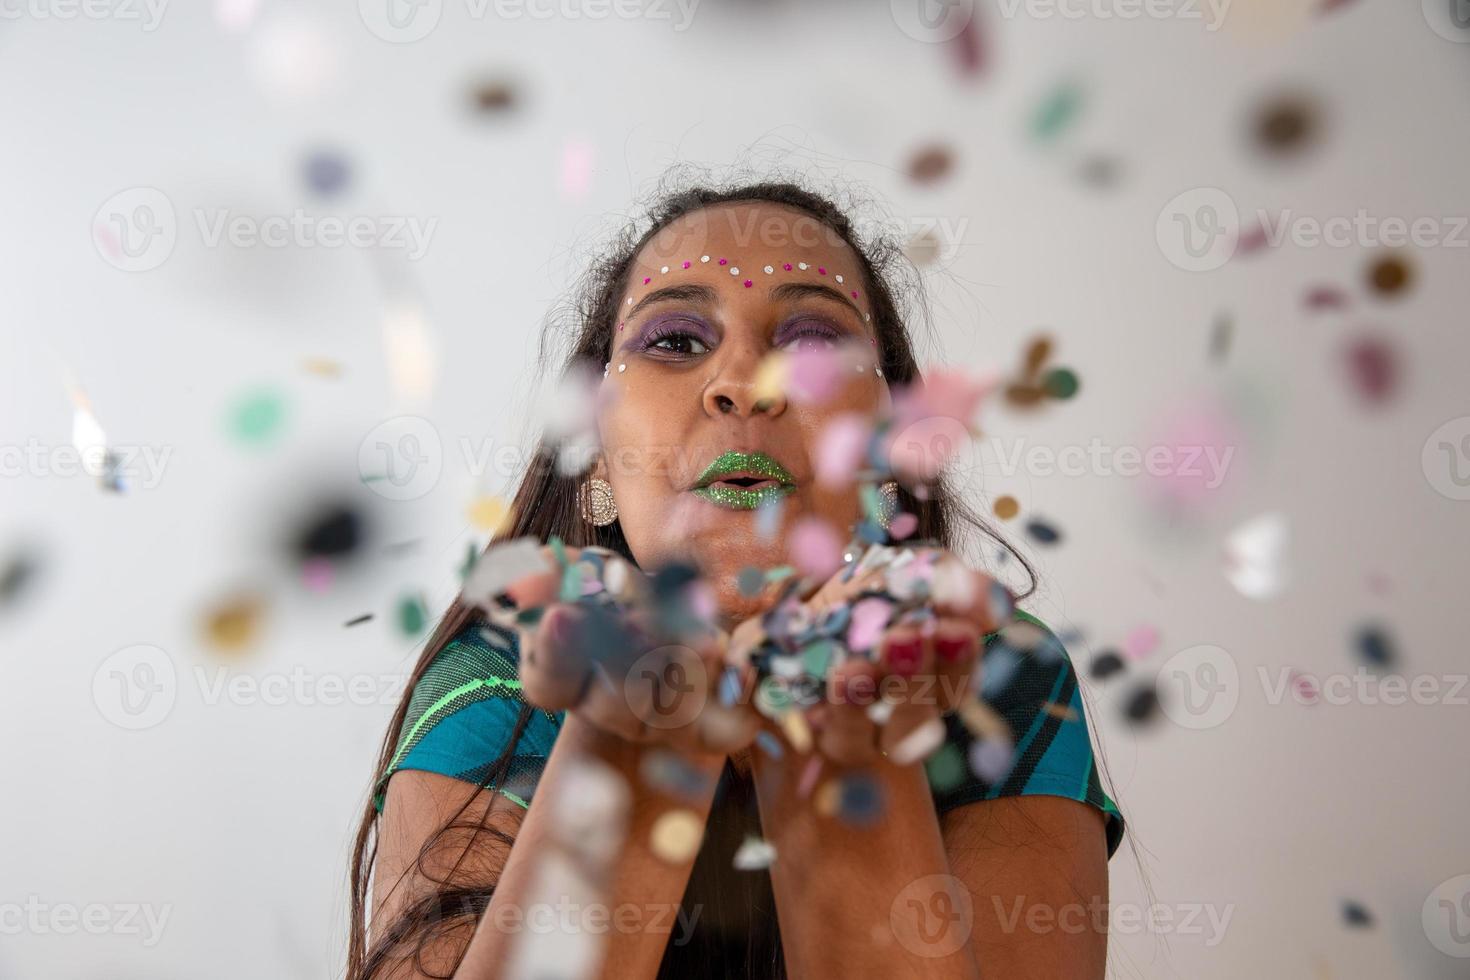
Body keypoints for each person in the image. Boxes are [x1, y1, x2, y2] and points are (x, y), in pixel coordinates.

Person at [347, 180, 1124, 980]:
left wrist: (848, 760)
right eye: (676, 340)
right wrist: (625, 751)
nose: (745, 381)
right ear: (595, 458)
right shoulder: (494, 686)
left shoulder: (1001, 682)